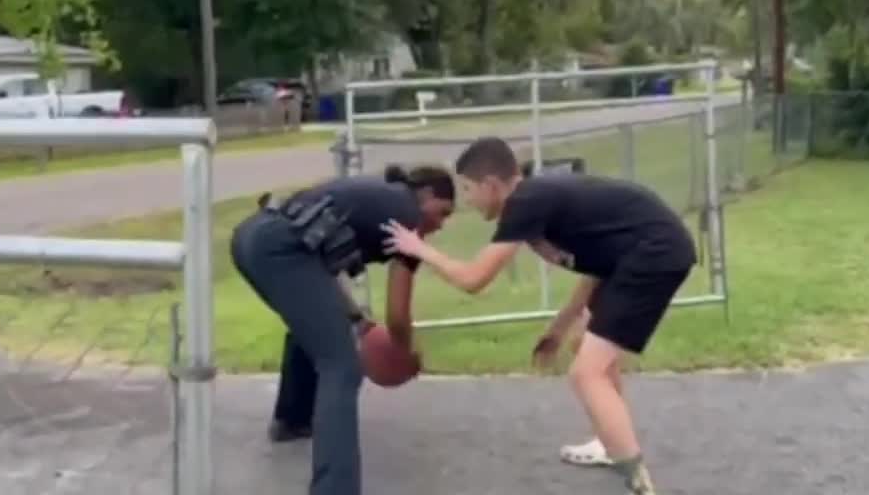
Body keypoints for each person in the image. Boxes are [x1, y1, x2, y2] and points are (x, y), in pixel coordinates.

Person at [381, 137, 694, 495]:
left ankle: (639, 483)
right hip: (635, 258)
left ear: (491, 185)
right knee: (584, 347)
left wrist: (419, 248)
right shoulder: (536, 201)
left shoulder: (526, 201)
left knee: (585, 375)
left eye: (468, 189)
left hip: (654, 254)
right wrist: (559, 329)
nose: (467, 200)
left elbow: (474, 280)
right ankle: (610, 444)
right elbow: (598, 266)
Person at [232, 163, 455, 495]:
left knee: (311, 329)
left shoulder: (379, 198)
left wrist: (357, 321)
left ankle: (292, 420)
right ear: (425, 196)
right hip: (280, 249)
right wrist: (405, 352)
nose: (440, 224)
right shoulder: (409, 220)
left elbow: (320, 273)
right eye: (442, 212)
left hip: (251, 236)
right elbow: (397, 313)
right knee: (342, 367)